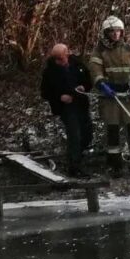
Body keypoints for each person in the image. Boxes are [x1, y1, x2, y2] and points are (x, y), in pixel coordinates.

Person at [87, 16, 130, 179]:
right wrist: (102, 85)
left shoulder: (129, 49)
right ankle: (115, 166)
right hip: (110, 98)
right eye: (112, 31)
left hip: (129, 96)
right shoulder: (99, 51)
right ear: (106, 33)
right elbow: (95, 72)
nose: (116, 34)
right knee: (112, 132)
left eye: (118, 31)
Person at [39, 44, 93, 177]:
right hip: (66, 108)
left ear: (67, 54)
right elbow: (45, 92)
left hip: (81, 103)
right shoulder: (50, 72)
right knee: (74, 135)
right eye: (56, 59)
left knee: (87, 133)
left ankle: (78, 157)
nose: (60, 61)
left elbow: (89, 81)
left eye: (61, 58)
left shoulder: (78, 65)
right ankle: (74, 167)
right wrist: (59, 97)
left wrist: (83, 87)